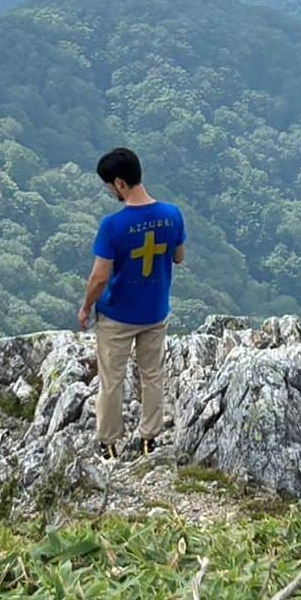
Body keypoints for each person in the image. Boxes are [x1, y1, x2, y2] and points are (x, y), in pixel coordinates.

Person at [77, 147, 187, 458]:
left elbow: (99, 278)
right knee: (152, 375)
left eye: (109, 186)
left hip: (118, 316)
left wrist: (86, 307)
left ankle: (108, 443)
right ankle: (149, 439)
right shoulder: (172, 215)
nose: (109, 191)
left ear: (120, 184)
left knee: (112, 380)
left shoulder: (113, 226)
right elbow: (179, 257)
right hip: (155, 311)